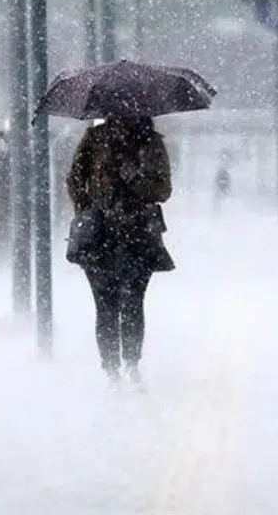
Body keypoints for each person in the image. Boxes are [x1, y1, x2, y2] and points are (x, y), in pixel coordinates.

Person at [66, 116, 173, 388]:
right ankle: (114, 369)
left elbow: (163, 190)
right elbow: (75, 179)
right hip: (101, 236)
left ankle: (130, 365)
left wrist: (135, 179)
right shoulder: (95, 140)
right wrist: (90, 208)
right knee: (107, 304)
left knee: (132, 302)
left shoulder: (151, 143)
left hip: (137, 235)